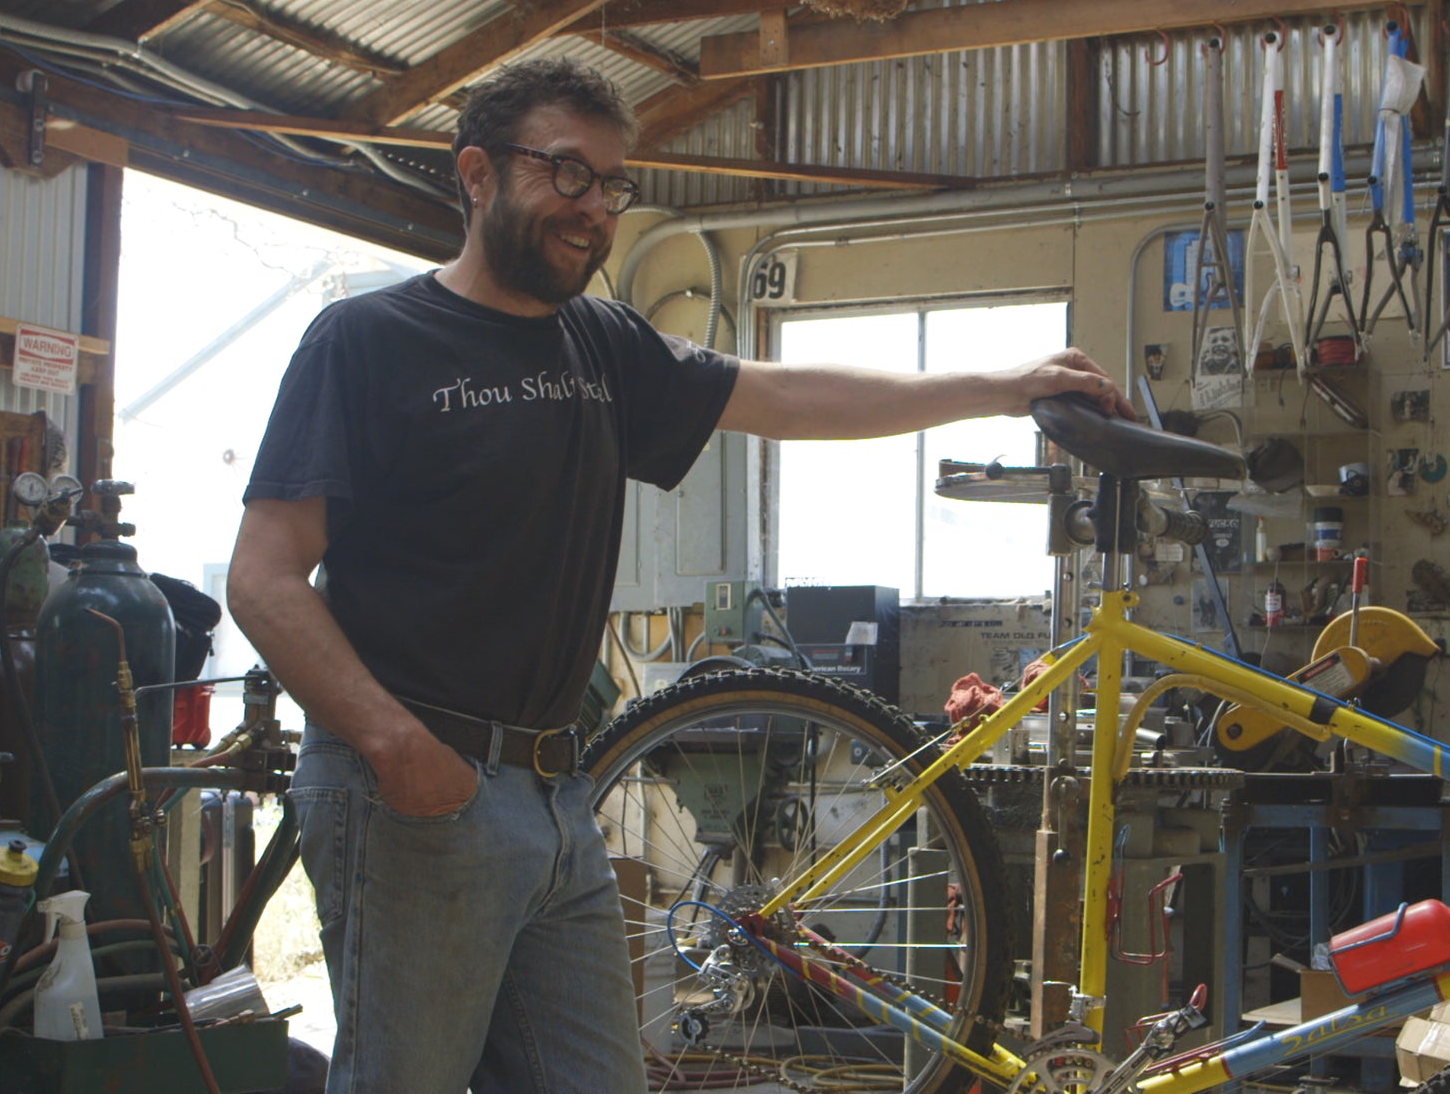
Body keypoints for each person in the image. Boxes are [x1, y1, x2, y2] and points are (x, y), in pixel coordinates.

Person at [225, 58, 1134, 1094]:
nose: (593, 211)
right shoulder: (369, 342)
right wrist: (397, 749)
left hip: (554, 792)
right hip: (413, 792)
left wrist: (997, 385)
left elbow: (787, 396)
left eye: (610, 185)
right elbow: (264, 580)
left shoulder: (601, 345)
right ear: (476, 173)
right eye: (566, 175)